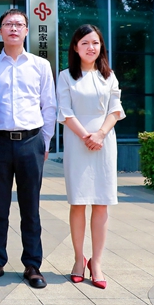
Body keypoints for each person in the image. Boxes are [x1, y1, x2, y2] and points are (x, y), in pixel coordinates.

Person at [0, 8, 56, 289]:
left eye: (19, 24)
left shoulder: (40, 65)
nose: (13, 28)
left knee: (30, 208)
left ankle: (32, 265)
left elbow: (49, 106)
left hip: (31, 142)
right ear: (0, 31)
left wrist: (44, 142)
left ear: (26, 30)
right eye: (8, 24)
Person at [57, 24, 125, 289]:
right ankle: (78, 259)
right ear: (75, 47)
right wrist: (87, 136)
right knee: (78, 202)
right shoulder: (66, 76)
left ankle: (96, 262)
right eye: (84, 42)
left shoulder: (109, 76)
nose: (90, 47)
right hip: (77, 141)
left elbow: (115, 110)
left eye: (95, 42)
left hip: (104, 143)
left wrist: (100, 134)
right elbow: (64, 111)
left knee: (101, 203)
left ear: (101, 47)